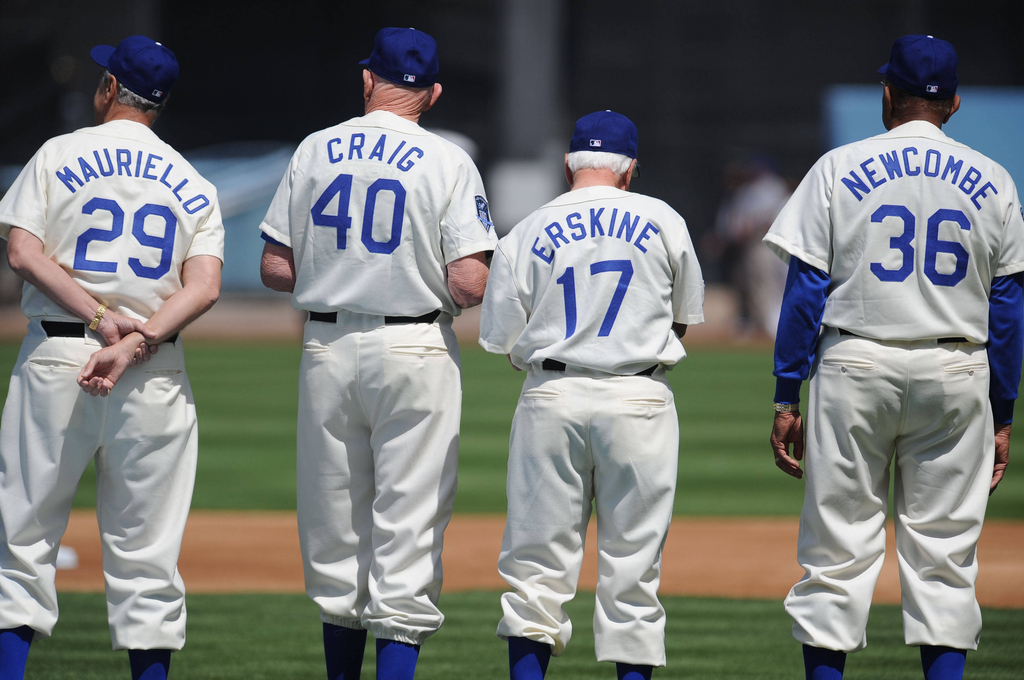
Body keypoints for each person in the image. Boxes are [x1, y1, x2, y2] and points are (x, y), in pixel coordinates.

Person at [765, 35, 1023, 680]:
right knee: (943, 559)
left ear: (888, 94)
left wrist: (784, 394)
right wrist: (1003, 409)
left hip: (855, 365)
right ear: (955, 104)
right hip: (957, 368)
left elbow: (804, 293)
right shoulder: (994, 179)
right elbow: (1009, 308)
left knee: (837, 554)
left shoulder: (837, 166)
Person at [259, 27, 496, 680]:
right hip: (415, 346)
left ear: (368, 81)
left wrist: (340, 266)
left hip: (328, 348)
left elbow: (276, 268)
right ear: (434, 93)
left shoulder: (316, 148)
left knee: (338, 537)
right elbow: (469, 283)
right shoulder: (448, 159)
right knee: (408, 532)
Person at [0, 36, 224, 680]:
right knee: (148, 558)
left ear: (107, 87)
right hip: (153, 367)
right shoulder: (194, 181)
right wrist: (135, 340)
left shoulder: (57, 153)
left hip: (59, 355)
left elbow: (22, 252)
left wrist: (99, 319)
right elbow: (204, 286)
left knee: (23, 543)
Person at [479, 111, 705, 680]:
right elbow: (684, 319)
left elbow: (500, 337)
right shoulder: (664, 220)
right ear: (630, 168)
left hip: (551, 396)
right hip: (639, 398)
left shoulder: (529, 226)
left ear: (567, 165)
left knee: (535, 572)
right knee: (633, 569)